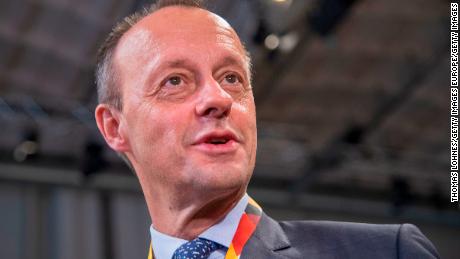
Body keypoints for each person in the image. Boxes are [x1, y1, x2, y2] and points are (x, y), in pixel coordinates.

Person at [94, 0, 440, 258]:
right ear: (114, 127)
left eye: (231, 78)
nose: (218, 98)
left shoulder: (386, 253)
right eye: (175, 81)